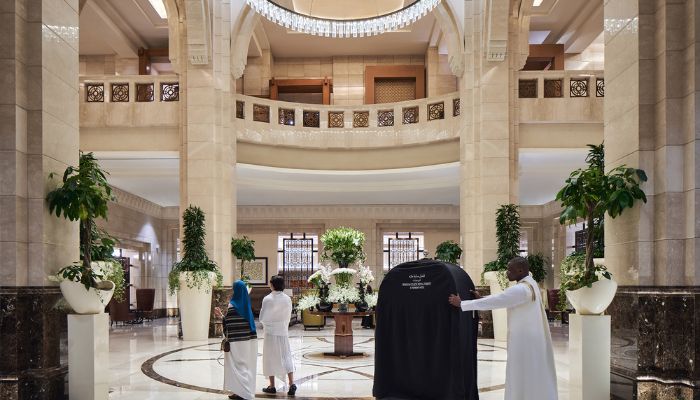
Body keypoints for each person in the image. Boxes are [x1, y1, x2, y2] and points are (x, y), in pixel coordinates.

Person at [448, 256, 558, 400]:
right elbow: (505, 298)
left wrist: (462, 304)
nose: (507, 273)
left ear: (520, 270)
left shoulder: (521, 289)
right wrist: (480, 299)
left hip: (523, 341)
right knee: (529, 372)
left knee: (520, 372)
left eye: (509, 270)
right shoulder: (530, 283)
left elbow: (499, 300)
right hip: (530, 339)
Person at [215, 280, 258, 400]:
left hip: (235, 341)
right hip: (248, 340)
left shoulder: (232, 304)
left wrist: (221, 316)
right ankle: (239, 392)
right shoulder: (246, 305)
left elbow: (228, 323)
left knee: (237, 366)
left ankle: (244, 393)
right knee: (244, 365)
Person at [259, 275, 296, 396]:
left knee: (270, 358)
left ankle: (272, 386)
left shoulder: (267, 299)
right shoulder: (287, 299)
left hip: (270, 333)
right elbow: (288, 315)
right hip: (283, 331)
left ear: (273, 285)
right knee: (286, 356)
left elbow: (262, 317)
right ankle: (292, 383)